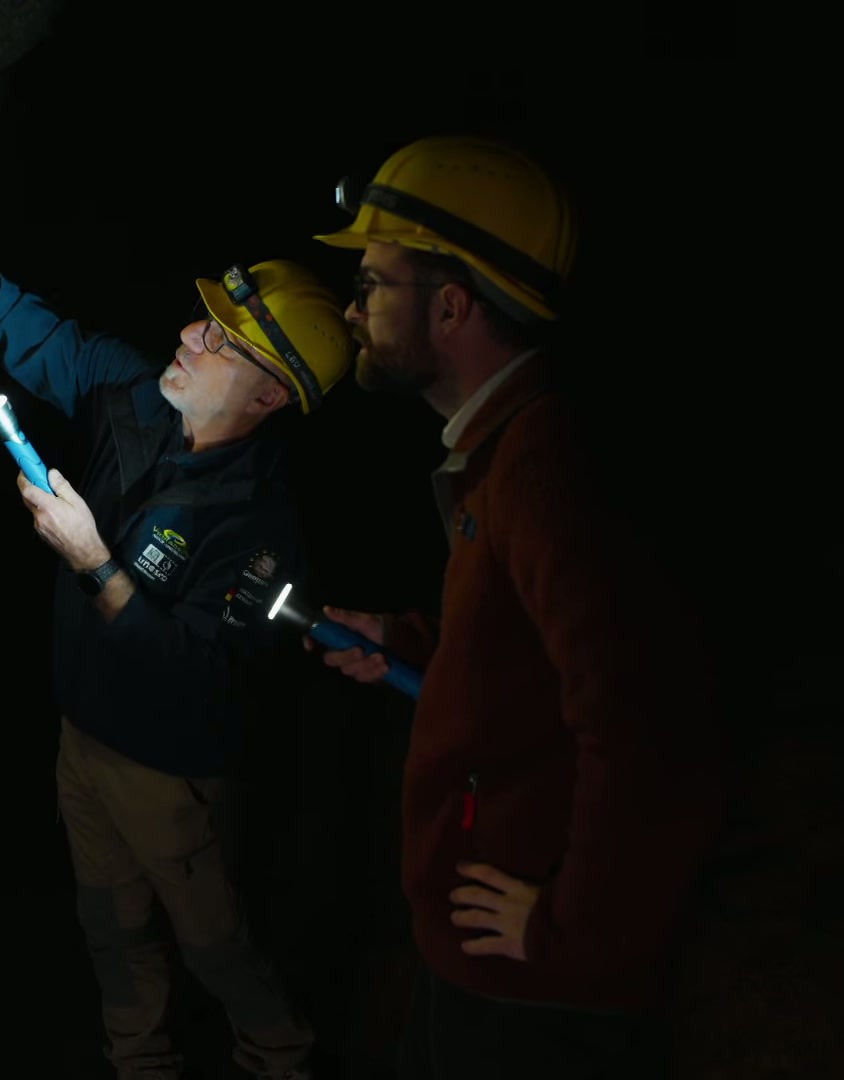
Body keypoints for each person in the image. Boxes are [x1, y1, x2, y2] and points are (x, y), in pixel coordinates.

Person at [0, 158, 355, 1080]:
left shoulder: (262, 534)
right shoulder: (133, 394)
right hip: (83, 742)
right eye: (203, 318)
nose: (189, 334)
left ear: (270, 395)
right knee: (112, 936)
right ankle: (140, 1063)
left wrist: (93, 559)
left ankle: (280, 1058)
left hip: (174, 775)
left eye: (222, 340)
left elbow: (191, 672)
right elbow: (24, 323)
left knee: (218, 949)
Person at [306, 135, 724, 1077]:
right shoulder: (503, 452)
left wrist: (571, 932)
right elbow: (539, 659)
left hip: (531, 998)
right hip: (485, 967)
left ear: (451, 305)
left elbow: (648, 726)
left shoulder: (542, 473)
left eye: (374, 282)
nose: (353, 305)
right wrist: (411, 642)